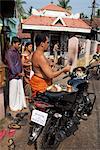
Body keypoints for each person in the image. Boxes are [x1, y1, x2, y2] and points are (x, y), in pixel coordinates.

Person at [5, 36, 27, 112]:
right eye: (18, 44)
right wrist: (18, 73)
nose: (19, 45)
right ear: (13, 43)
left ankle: (18, 106)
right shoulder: (9, 52)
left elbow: (19, 63)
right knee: (13, 93)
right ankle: (13, 107)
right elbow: (11, 66)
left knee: (19, 92)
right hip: (13, 76)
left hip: (19, 74)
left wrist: (22, 71)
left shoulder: (17, 51)